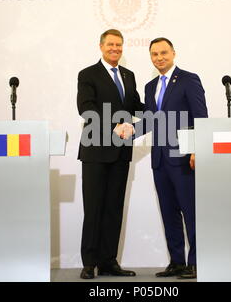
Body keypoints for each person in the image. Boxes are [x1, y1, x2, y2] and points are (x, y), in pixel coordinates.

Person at [77, 29, 143, 279]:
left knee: (114, 209)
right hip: (95, 151)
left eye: (119, 45)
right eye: (111, 45)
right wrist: (113, 125)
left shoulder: (128, 75)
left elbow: (136, 106)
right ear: (101, 46)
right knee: (94, 208)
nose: (115, 48)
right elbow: (86, 108)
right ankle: (89, 263)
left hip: (121, 152)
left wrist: (162, 111)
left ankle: (108, 262)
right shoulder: (87, 74)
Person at [140, 37, 208, 279]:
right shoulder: (150, 86)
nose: (159, 57)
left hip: (183, 158)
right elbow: (149, 120)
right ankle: (177, 262)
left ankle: (197, 263)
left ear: (173, 53)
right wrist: (129, 131)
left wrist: (197, 149)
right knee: (169, 213)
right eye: (154, 54)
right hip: (159, 159)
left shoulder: (189, 79)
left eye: (163, 53)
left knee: (191, 211)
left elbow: (201, 117)